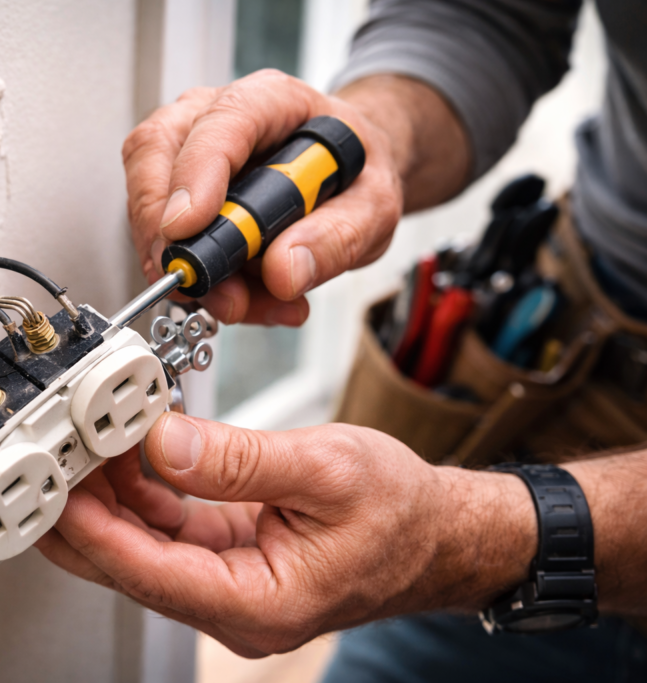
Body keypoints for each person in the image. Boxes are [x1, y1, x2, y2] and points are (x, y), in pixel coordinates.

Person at [35, 1, 647, 678]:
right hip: (585, 319)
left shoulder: (472, 545)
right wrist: (373, 129)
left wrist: (473, 542)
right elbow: (487, 17)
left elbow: (465, 541)